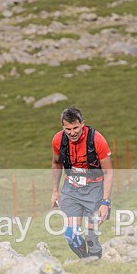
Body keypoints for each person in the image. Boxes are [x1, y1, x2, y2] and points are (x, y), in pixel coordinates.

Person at [51, 107, 113, 259]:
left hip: (94, 190)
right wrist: (55, 191)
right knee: (71, 235)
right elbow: (56, 163)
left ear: (83, 124)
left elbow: (108, 172)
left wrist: (105, 202)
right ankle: (86, 263)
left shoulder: (97, 139)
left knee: (91, 236)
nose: (72, 133)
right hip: (71, 189)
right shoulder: (58, 140)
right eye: (68, 129)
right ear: (63, 127)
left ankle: (95, 263)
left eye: (75, 128)